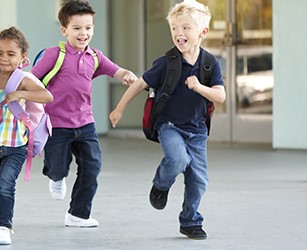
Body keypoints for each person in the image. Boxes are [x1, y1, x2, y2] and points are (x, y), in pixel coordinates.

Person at [109, 0, 225, 240]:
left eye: (185, 28)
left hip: (197, 131)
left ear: (202, 32)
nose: (178, 33)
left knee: (199, 180)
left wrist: (199, 87)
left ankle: (190, 221)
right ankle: (161, 185)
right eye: (174, 28)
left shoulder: (210, 63)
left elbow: (220, 96)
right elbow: (141, 83)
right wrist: (119, 109)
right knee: (178, 159)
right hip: (169, 125)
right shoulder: (166, 63)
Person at [31, 0, 138, 227]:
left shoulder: (95, 56)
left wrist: (126, 75)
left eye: (88, 28)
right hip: (56, 123)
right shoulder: (54, 55)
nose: (83, 33)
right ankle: (56, 176)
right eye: (77, 28)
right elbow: (32, 79)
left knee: (93, 166)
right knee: (58, 166)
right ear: (64, 30)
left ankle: (78, 214)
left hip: (85, 122)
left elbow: (116, 70)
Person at [0, 27, 53, 245]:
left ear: (23, 57)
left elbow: (47, 96)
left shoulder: (23, 79)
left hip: (16, 142)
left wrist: (21, 93)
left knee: (6, 183)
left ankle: (4, 226)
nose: (4, 58)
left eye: (11, 54)